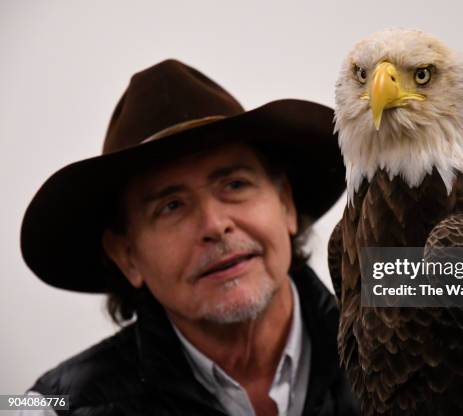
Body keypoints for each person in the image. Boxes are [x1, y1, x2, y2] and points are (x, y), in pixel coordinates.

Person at [20, 59, 358, 415]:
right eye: (171, 206)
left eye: (234, 185)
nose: (214, 225)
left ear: (286, 204)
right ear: (127, 256)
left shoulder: (413, 356)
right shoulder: (49, 408)